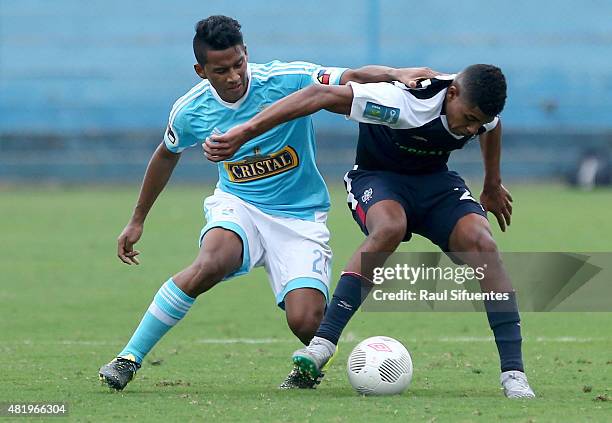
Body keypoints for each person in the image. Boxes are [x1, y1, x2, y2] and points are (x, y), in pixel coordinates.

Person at [98, 14, 437, 391]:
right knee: (211, 262)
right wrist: (137, 219)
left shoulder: (287, 79)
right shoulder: (191, 110)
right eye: (221, 69)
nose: (234, 76)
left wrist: (397, 73)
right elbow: (166, 153)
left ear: (247, 54)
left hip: (300, 216)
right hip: (239, 205)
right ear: (200, 70)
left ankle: (316, 366)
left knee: (307, 322)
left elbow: (351, 77)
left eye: (238, 63)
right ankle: (128, 357)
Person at [205, 64, 536, 398]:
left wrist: (492, 183)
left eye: (478, 121)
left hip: (434, 184)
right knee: (391, 226)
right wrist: (243, 133)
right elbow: (317, 95)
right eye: (469, 118)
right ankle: (322, 345)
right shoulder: (399, 101)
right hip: (378, 179)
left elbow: (492, 127)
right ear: (451, 94)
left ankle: (514, 374)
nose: (471, 128)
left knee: (484, 245)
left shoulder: (476, 106)